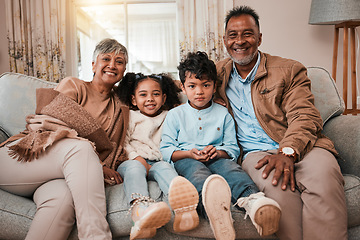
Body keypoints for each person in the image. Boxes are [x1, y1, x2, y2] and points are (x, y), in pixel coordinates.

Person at [216, 6, 348, 240]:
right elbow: (180, 84)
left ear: (259, 38)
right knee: (280, 191)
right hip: (255, 154)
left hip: (303, 145)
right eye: (233, 35)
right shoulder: (216, 74)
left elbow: (305, 115)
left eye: (247, 33)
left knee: (324, 180)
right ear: (225, 40)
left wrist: (287, 151)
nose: (240, 41)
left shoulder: (288, 69)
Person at [0, 38, 130, 240]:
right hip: (21, 159)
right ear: (93, 64)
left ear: (124, 70)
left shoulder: (119, 108)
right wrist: (94, 161)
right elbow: (50, 122)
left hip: (57, 179)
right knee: (80, 149)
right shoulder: (75, 85)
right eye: (106, 58)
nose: (113, 65)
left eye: (120, 61)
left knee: (64, 200)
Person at [160, 51, 281, 239]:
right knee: (198, 174)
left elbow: (232, 148)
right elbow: (166, 149)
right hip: (187, 159)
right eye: (192, 86)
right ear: (183, 88)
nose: (199, 91)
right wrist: (189, 154)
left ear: (214, 86)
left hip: (217, 157)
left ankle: (254, 201)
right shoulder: (175, 115)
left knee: (232, 170)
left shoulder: (223, 113)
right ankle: (214, 212)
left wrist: (218, 152)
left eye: (205, 85)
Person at [116, 72, 199, 240]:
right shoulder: (131, 116)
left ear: (164, 97)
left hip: (158, 161)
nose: (150, 99)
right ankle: (140, 210)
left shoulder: (170, 115)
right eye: (143, 95)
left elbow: (188, 109)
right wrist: (135, 157)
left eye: (156, 94)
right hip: (133, 159)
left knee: (167, 169)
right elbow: (123, 142)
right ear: (133, 100)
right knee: (134, 169)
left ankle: (184, 208)